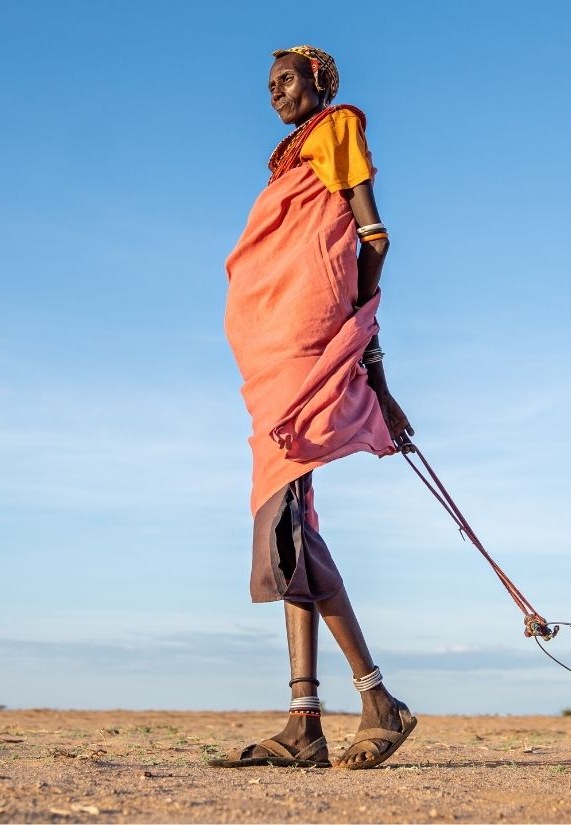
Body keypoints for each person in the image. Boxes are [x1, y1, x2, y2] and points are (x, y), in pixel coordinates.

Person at [214, 45, 418, 770]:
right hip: (273, 361)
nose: (276, 92)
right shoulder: (285, 161)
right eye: (269, 85)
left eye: (288, 80)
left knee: (289, 528)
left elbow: (373, 237)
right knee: (287, 523)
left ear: (320, 83)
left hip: (306, 351)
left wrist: (368, 361)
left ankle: (376, 701)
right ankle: (306, 719)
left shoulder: (337, 129)